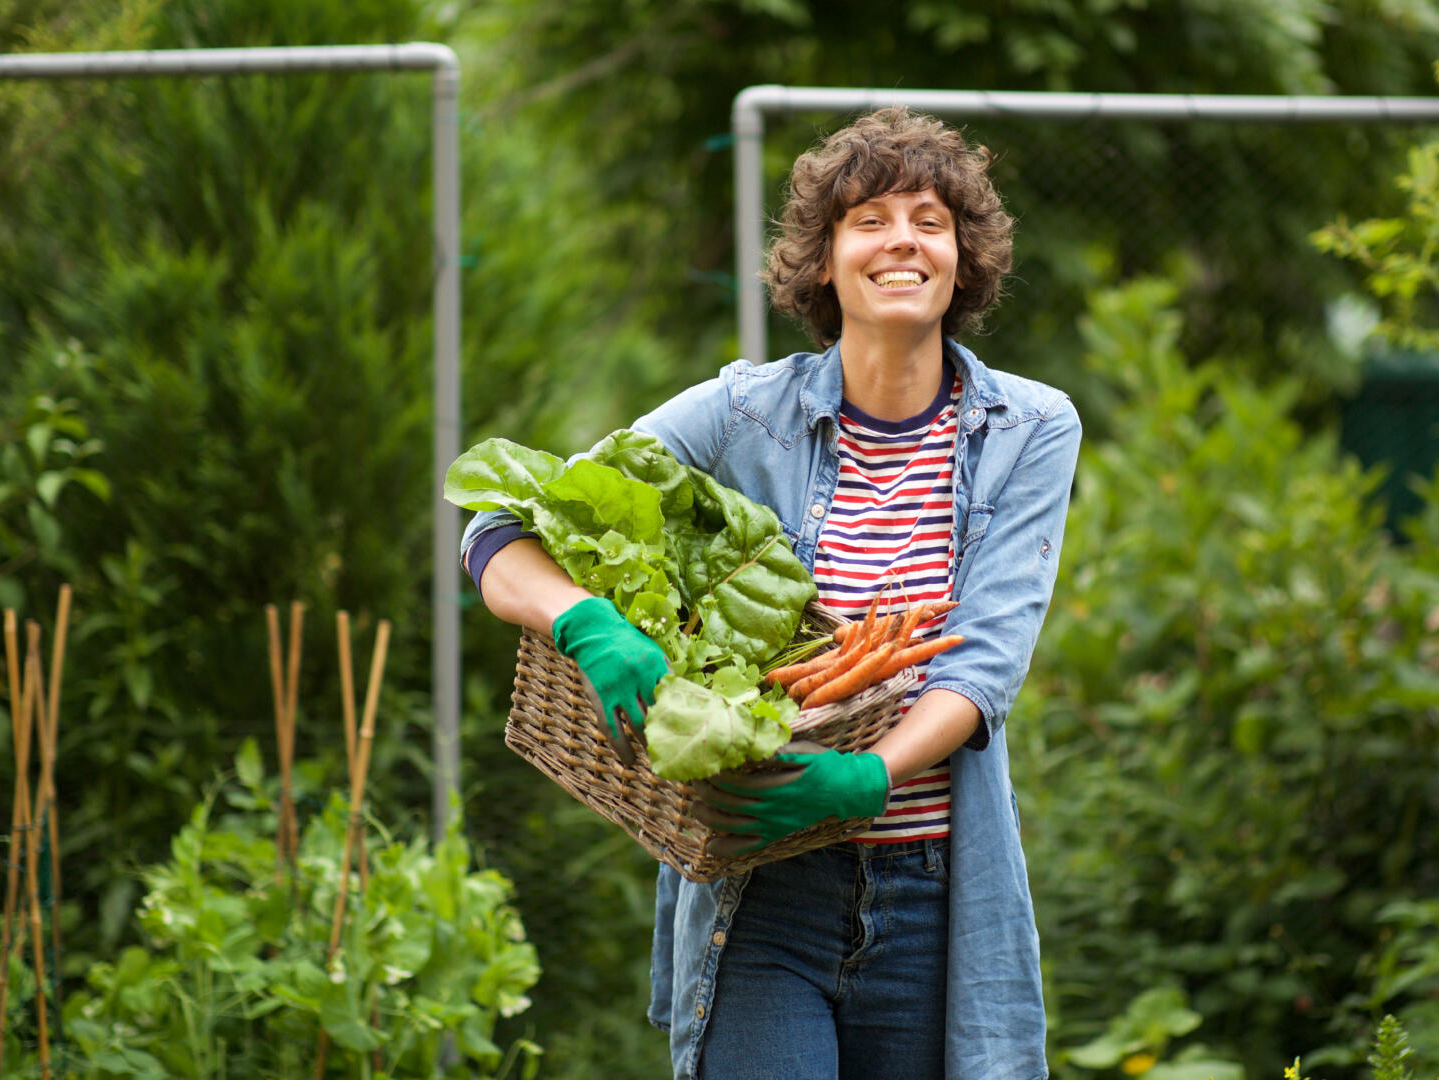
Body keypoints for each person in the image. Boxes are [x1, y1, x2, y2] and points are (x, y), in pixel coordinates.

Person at [461, 106, 1079, 1080]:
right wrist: (579, 616)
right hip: (763, 886)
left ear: (964, 259)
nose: (902, 239)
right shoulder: (748, 411)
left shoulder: (1028, 428)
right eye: (867, 219)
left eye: (930, 219)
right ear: (824, 262)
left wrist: (871, 776)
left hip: (932, 888)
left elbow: (984, 661)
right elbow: (500, 529)